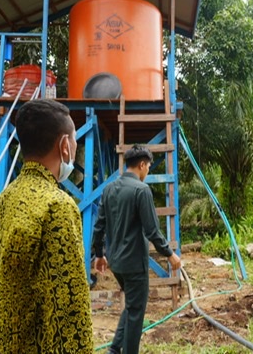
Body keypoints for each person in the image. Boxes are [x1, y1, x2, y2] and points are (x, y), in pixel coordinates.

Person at [0, 99, 93, 353]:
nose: (74, 147)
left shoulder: (2, 202)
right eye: (74, 141)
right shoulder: (57, 206)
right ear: (64, 146)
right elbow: (70, 312)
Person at [92, 145, 181, 354]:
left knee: (132, 305)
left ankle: (114, 349)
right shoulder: (141, 190)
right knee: (136, 313)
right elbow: (152, 231)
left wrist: (99, 255)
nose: (148, 171)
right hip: (134, 263)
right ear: (141, 165)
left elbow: (99, 227)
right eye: (148, 167)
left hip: (116, 263)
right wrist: (170, 254)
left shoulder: (109, 189)